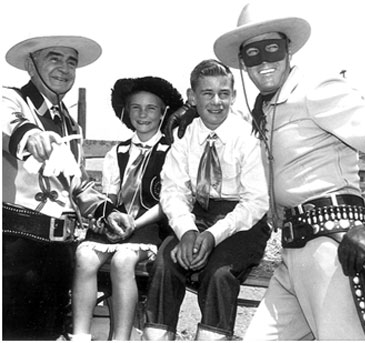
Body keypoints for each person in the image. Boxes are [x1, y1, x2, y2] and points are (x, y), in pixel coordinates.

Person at [210, 3, 365, 340]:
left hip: (332, 247)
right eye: (252, 54)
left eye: (273, 49)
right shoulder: (269, 107)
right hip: (292, 253)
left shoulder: (315, 88)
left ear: (289, 50)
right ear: (241, 63)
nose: (264, 62)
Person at [2, 35, 133, 340]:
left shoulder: (70, 125)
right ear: (29, 65)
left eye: (71, 61)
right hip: (15, 248)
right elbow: (13, 127)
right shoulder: (10, 100)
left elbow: (77, 183)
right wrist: (32, 137)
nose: (64, 68)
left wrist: (106, 212)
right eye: (54, 58)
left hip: (60, 252)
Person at [142, 59, 271, 340]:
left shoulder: (248, 137)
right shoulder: (185, 136)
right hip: (195, 217)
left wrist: (212, 236)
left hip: (241, 223)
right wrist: (186, 231)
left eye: (224, 93)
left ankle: (214, 335)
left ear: (233, 96)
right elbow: (173, 191)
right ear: (192, 97)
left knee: (219, 273)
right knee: (165, 263)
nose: (216, 102)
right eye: (207, 93)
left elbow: (255, 202)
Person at [71, 76, 183, 341]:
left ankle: (120, 337)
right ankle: (80, 335)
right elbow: (109, 197)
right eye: (136, 107)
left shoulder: (172, 152)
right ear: (126, 111)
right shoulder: (116, 152)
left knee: (123, 261)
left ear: (163, 112)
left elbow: (167, 201)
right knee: (84, 257)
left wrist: (136, 223)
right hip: (117, 224)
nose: (143, 114)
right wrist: (107, 219)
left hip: (149, 225)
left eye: (151, 108)